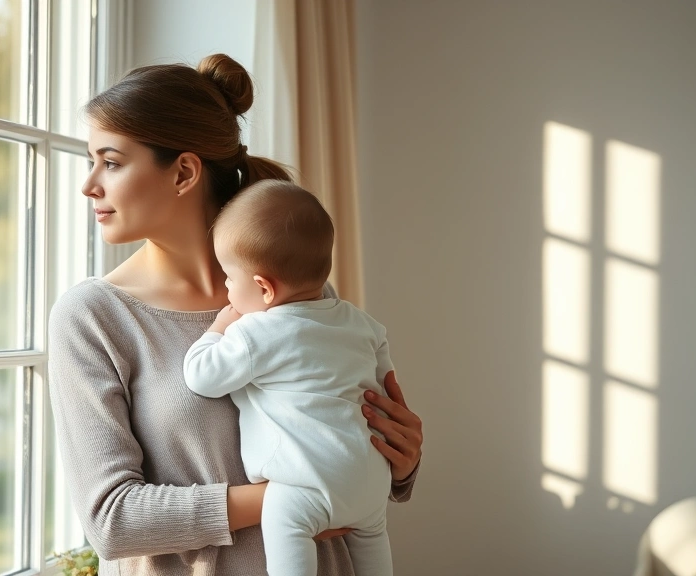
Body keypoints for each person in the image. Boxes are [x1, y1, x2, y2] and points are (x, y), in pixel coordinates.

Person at [47, 53, 423, 576]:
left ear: (183, 172)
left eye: (110, 162)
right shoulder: (93, 318)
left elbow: (345, 431)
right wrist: (287, 500)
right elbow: (112, 520)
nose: (90, 184)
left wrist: (398, 461)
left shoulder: (286, 288)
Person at [184, 179, 395, 576]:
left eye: (229, 277)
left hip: (304, 483)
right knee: (373, 540)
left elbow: (201, 376)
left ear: (264, 289)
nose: (226, 288)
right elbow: (384, 378)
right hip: (369, 478)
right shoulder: (361, 323)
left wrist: (218, 328)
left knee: (283, 521)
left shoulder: (257, 331)